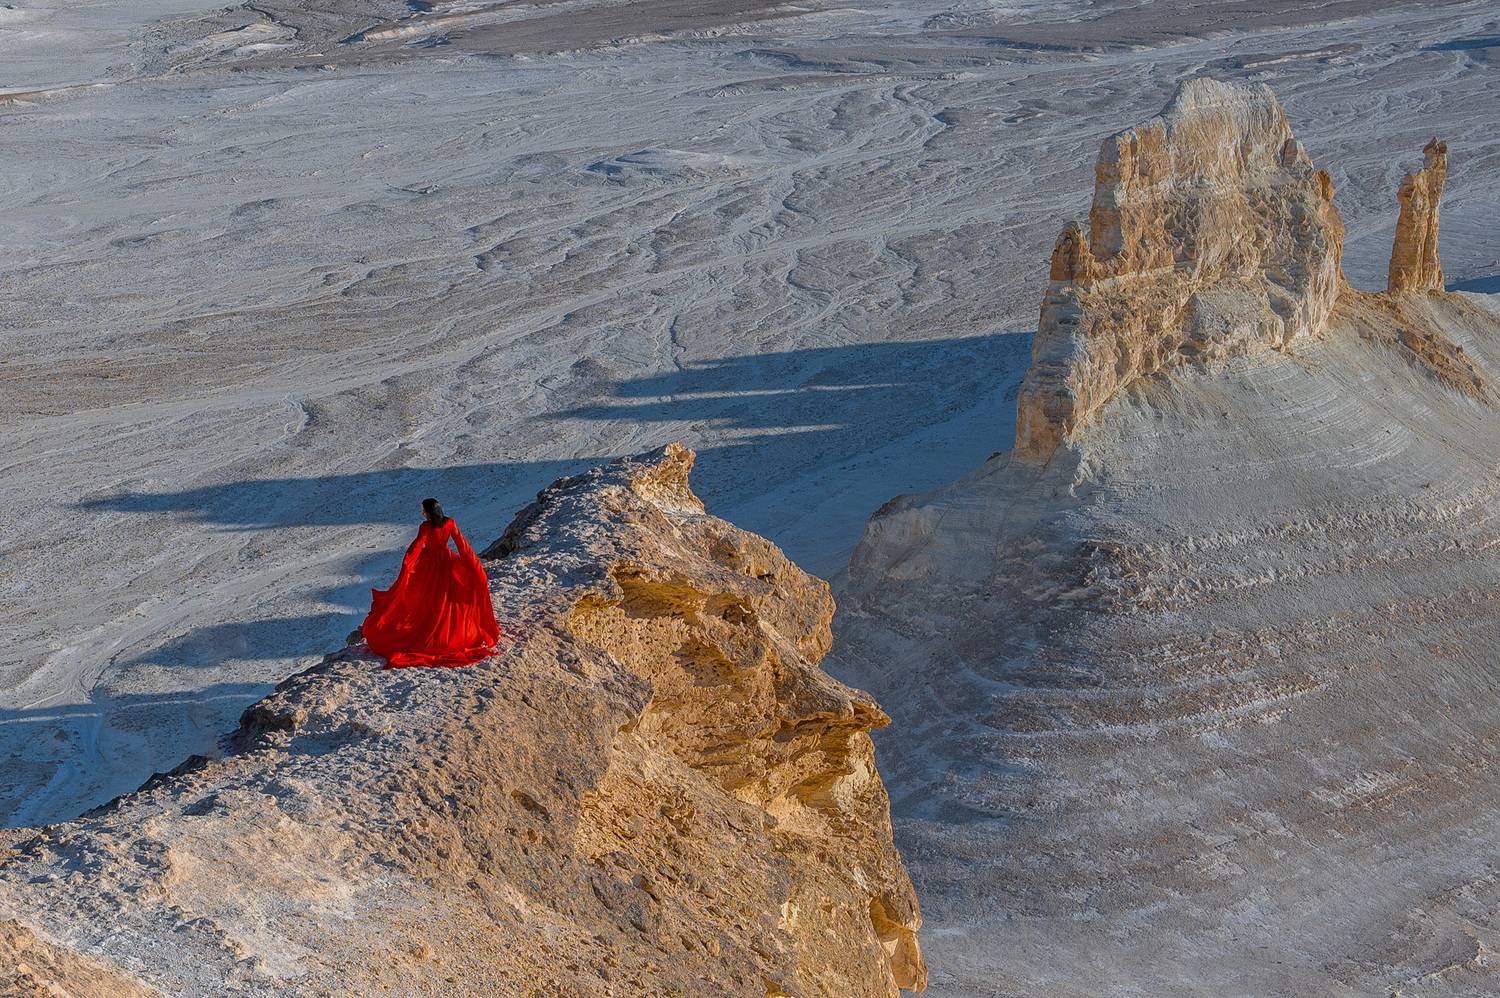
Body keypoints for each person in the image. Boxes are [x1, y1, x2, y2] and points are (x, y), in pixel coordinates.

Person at [361, 498, 500, 668]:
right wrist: (472, 564)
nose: (422, 513)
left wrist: (407, 565)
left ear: (428, 511)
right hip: (447, 562)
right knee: (447, 598)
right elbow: (462, 544)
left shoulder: (425, 527)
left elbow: (416, 546)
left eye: (423, 510)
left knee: (425, 599)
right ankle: (447, 633)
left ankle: (432, 634)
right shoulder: (450, 523)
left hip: (429, 564)